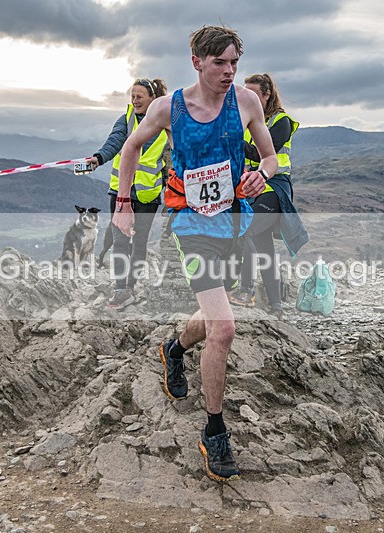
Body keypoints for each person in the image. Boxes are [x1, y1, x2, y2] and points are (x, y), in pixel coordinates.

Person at [113, 25, 277, 481]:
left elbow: (270, 157)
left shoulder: (246, 102)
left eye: (234, 64)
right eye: (220, 63)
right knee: (224, 328)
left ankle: (173, 348)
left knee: (211, 312)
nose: (229, 73)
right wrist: (124, 204)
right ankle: (214, 430)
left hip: (232, 220)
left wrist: (261, 174)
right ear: (197, 62)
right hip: (189, 223)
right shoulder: (170, 108)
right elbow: (130, 148)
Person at [228, 73, 308, 316]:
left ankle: (246, 290)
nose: (247, 98)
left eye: (253, 93)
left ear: (267, 94)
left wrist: (230, 138)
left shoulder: (281, 121)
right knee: (264, 249)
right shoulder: (249, 120)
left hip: (275, 189)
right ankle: (276, 306)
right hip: (254, 189)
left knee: (246, 231)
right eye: (245, 92)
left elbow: (261, 153)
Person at [86, 78, 168, 309]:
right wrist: (98, 158)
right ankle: (120, 290)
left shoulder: (165, 124)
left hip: (147, 196)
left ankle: (130, 286)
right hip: (120, 192)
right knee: (121, 242)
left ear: (153, 98)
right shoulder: (126, 120)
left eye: (139, 96)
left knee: (138, 243)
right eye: (132, 96)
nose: (135, 100)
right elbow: (114, 142)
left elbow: (172, 162)